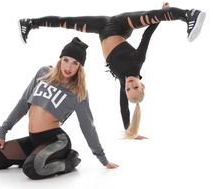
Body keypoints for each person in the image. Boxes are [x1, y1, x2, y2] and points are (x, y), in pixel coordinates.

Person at [18, 3, 206, 139]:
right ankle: (188, 15)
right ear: (142, 84)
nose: (130, 86)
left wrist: (130, 131)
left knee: (66, 21)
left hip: (103, 29)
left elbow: (123, 108)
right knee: (150, 16)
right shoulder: (138, 61)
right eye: (135, 87)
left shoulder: (123, 82)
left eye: (129, 90)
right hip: (118, 25)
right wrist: (161, 16)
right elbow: (147, 36)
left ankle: (29, 23)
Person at [0, 37, 118, 180]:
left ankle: (69, 162)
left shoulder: (78, 92)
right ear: (60, 59)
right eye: (66, 60)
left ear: (79, 67)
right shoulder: (43, 73)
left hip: (56, 141)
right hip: (34, 140)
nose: (68, 67)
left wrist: (102, 158)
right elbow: (23, 103)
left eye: (74, 63)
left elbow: (87, 126)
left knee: (32, 169)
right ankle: (37, 155)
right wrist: (2, 132)